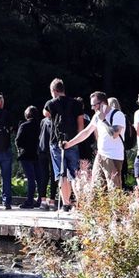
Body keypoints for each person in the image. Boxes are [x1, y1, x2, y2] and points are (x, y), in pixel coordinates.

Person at [63, 91, 126, 193]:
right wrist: (69, 144)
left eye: (94, 105)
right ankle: (97, 209)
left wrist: (104, 120)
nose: (92, 108)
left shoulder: (117, 115)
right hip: (100, 155)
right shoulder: (96, 116)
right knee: (96, 187)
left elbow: (114, 134)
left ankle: (116, 209)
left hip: (113, 156)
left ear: (102, 104)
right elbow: (86, 132)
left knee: (114, 188)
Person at [44, 79, 86, 211]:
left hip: (57, 142)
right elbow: (81, 124)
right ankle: (80, 203)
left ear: (53, 91)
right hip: (73, 141)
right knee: (75, 173)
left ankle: (66, 204)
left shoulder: (50, 103)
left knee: (61, 174)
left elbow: (46, 115)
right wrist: (78, 139)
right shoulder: (76, 104)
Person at [16, 106, 44, 208]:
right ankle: (41, 199)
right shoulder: (41, 125)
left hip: (26, 154)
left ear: (27, 115)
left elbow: (18, 140)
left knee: (30, 178)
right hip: (38, 154)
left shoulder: (24, 125)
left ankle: (29, 201)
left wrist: (20, 149)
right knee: (40, 178)